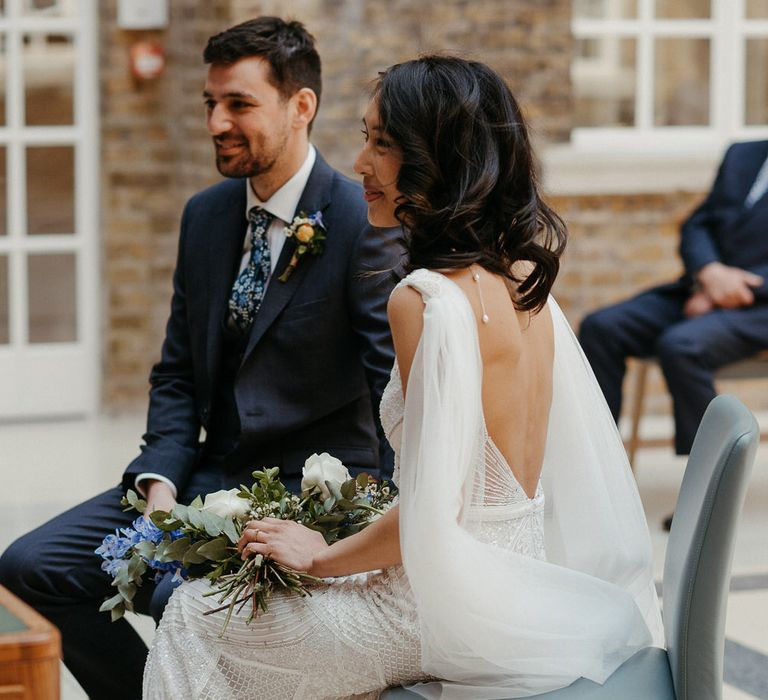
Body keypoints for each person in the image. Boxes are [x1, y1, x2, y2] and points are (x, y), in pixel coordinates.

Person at [143, 55, 663, 700]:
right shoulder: (522, 276)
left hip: (445, 609)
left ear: (438, 160)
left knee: (195, 615)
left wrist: (321, 554)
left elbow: (432, 517)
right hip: (516, 579)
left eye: (382, 144)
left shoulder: (423, 299)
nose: (361, 163)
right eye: (365, 137)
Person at [0, 17, 399, 700]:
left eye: (238, 104)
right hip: (199, 475)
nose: (216, 121)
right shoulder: (206, 216)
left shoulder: (363, 222)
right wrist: (159, 484)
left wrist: (371, 525)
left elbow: (392, 385)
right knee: (31, 566)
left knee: (178, 596)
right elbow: (178, 372)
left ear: (301, 106)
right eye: (209, 104)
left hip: (305, 490)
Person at [579, 140, 768, 461]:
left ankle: (709, 487)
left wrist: (724, 292)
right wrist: (709, 273)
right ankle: (598, 465)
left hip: (759, 306)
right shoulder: (743, 154)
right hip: (703, 287)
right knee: (601, 328)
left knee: (681, 346)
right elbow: (698, 224)